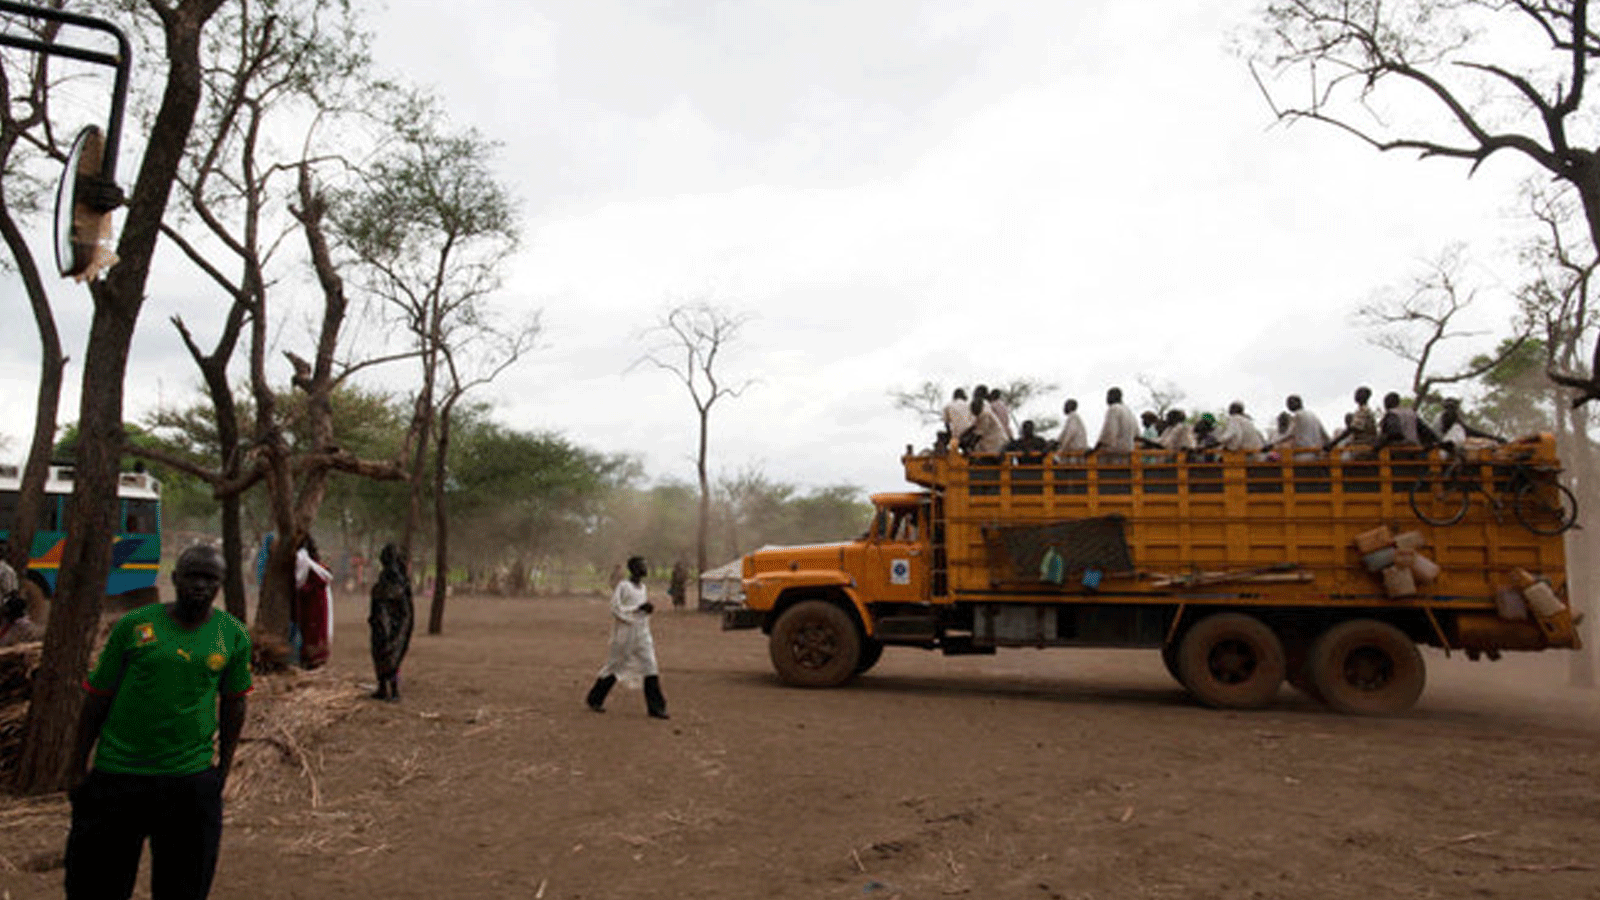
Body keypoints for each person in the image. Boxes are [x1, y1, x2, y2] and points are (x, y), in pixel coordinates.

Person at [65, 543, 251, 900]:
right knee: (95, 885)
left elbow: (234, 705)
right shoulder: (135, 626)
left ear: (221, 585)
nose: (200, 585)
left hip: (189, 783)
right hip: (118, 777)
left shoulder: (232, 635)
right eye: (192, 576)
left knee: (183, 887)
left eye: (210, 579)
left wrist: (222, 770)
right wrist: (76, 767)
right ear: (174, 578)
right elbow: (96, 699)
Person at [585, 556, 669, 719]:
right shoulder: (623, 586)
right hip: (625, 635)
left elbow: (639, 611)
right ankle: (594, 699)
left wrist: (646, 610)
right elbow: (615, 608)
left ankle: (656, 708)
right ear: (634, 568)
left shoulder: (643, 587)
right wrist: (637, 609)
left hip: (642, 634)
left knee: (650, 666)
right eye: (642, 565)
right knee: (614, 666)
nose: (646, 568)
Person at [368, 543, 414, 702]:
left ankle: (393, 691)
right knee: (381, 654)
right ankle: (382, 688)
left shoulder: (397, 577)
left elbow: (400, 602)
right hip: (382, 621)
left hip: (394, 623)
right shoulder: (386, 576)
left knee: (391, 655)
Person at [293, 535, 333, 669]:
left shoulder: (303, 559)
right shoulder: (315, 563)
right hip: (319, 601)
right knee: (318, 628)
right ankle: (316, 658)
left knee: (311, 629)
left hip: (311, 602)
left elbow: (299, 581)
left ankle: (311, 659)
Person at [1371, 391, 1439, 453]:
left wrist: (1377, 445)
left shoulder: (1392, 414)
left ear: (1386, 404)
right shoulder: (1412, 413)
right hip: (1415, 450)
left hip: (1398, 452)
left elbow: (1393, 432)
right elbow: (1426, 431)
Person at [1325, 386, 1378, 454]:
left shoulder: (1363, 411)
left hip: (1363, 446)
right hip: (1363, 445)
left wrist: (1333, 443)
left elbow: (1352, 429)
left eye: (1358, 393)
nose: (1356, 395)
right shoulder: (1364, 410)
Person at [1437, 398, 1504, 450]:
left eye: (1452, 408)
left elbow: (1471, 432)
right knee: (1457, 428)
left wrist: (1494, 438)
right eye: (1448, 407)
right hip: (1444, 444)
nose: (1450, 411)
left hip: (1451, 445)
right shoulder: (1441, 418)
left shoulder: (1457, 424)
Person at [1091, 387, 1138, 458]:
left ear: (1115, 396)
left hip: (1116, 451)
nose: (1107, 399)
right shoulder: (1128, 410)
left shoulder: (1113, 409)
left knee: (1090, 456)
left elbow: (1108, 432)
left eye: (1108, 396)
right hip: (1129, 450)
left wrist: (1094, 449)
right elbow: (1137, 434)